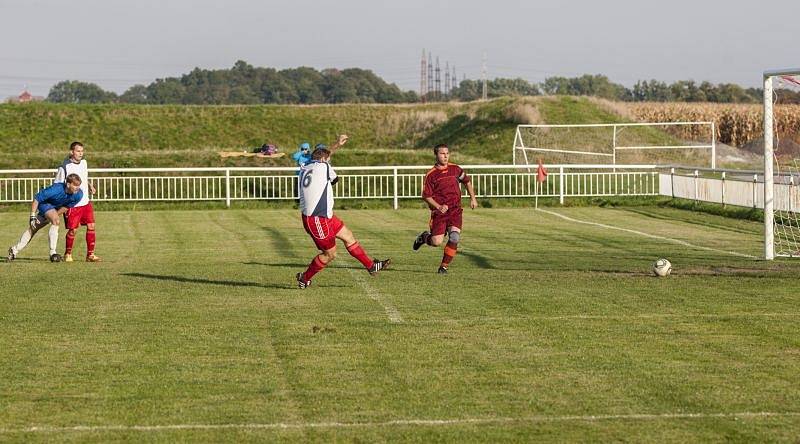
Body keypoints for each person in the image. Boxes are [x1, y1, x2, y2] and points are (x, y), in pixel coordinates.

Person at [296, 134, 390, 288]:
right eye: (327, 160)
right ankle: (304, 278)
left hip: (324, 216)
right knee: (330, 254)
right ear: (323, 160)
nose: (328, 161)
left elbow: (324, 156)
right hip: (316, 219)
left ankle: (371, 266)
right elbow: (334, 178)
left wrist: (337, 145)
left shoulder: (305, 167)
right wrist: (334, 149)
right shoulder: (324, 166)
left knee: (348, 235)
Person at [412, 143, 478, 274]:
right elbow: (426, 196)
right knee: (436, 241)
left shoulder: (456, 169)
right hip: (439, 213)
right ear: (436, 155)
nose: (445, 156)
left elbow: (467, 181)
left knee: (454, 237)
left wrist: (473, 198)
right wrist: (438, 206)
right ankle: (424, 237)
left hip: (455, 210)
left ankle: (444, 266)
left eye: (447, 153)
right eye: (442, 153)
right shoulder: (431, 175)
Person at [7, 174, 84, 263]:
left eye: (78, 185)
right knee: (55, 221)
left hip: (53, 209)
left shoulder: (79, 194)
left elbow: (66, 207)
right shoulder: (56, 189)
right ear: (68, 184)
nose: (77, 188)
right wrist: (32, 216)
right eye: (75, 185)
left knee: (34, 228)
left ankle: (14, 250)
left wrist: (51, 217)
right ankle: (53, 253)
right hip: (43, 204)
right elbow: (37, 199)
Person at [54, 141, 100, 262]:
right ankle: (67, 253)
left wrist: (90, 185)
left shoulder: (84, 163)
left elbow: (84, 177)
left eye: (82, 151)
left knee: (91, 226)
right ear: (71, 152)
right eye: (78, 151)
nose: (81, 153)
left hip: (86, 202)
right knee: (73, 230)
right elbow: (58, 185)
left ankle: (90, 255)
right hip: (73, 203)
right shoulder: (65, 166)